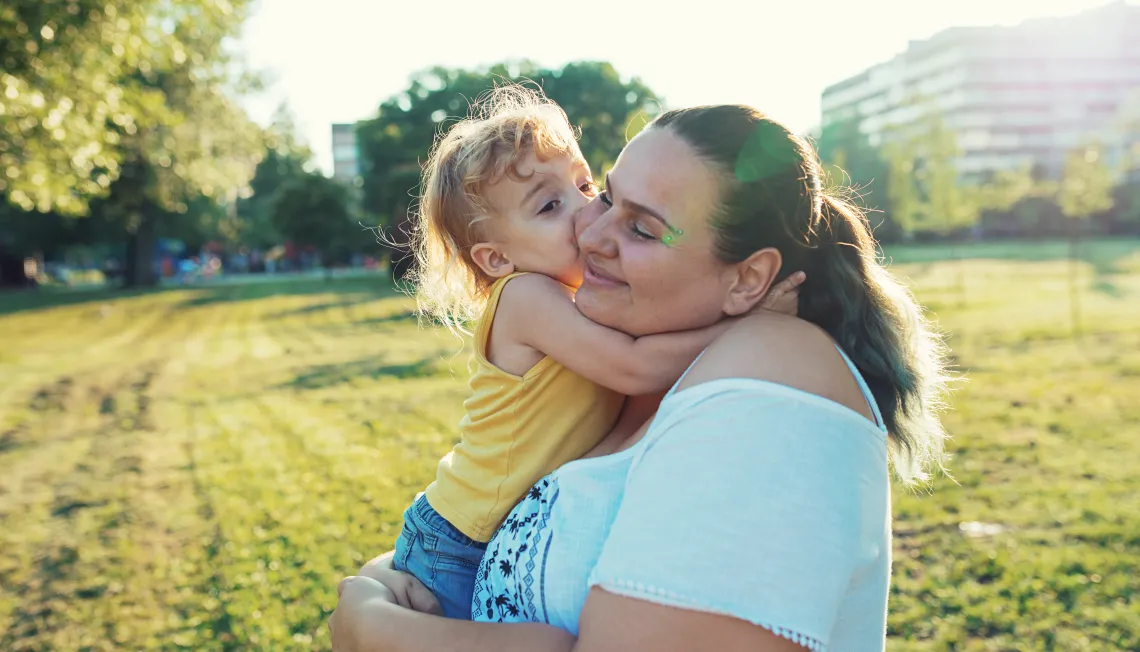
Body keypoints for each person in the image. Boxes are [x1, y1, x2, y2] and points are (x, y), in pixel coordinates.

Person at [331, 103, 950, 651]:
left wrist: (377, 632)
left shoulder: (773, 379)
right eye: (606, 197)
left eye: (641, 228)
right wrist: (386, 581)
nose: (590, 229)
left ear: (748, 281)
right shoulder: (622, 360)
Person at [383, 87, 804, 620]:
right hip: (459, 538)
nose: (586, 211)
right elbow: (634, 365)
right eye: (550, 206)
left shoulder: (575, 297)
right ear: (497, 258)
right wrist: (747, 319)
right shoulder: (525, 297)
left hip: (490, 527)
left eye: (585, 186)